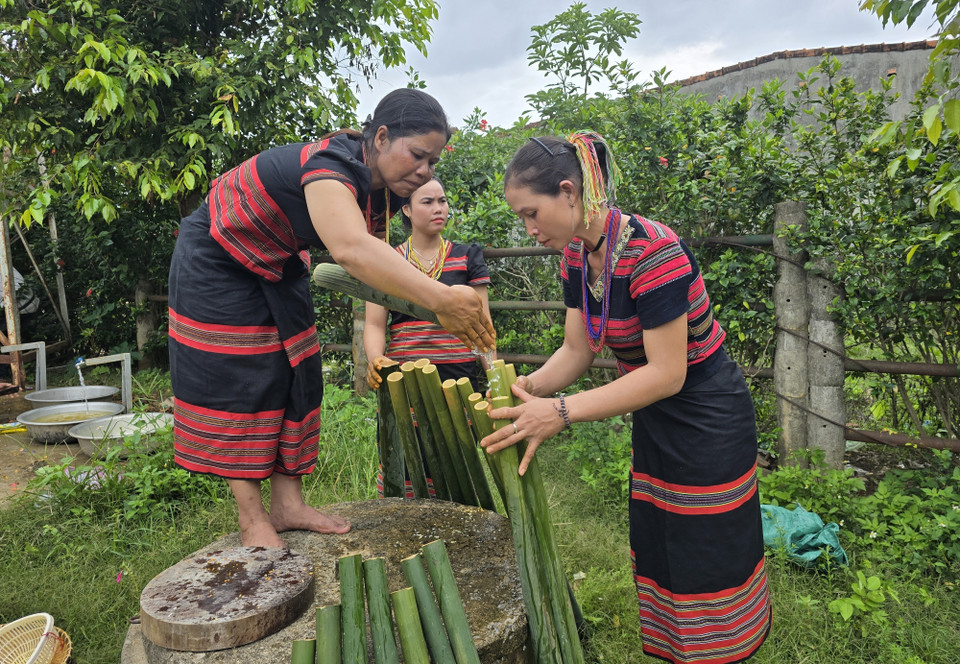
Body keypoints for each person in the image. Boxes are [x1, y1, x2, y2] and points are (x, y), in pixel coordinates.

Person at [481, 132, 770, 664]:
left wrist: (560, 411)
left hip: (706, 414)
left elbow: (666, 373)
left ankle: (724, 650)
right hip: (656, 415)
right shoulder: (577, 258)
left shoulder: (652, 251)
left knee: (709, 547)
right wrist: (525, 390)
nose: (529, 229)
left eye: (531, 213)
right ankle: (680, 652)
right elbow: (577, 350)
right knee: (663, 539)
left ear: (569, 192)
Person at [168, 89, 495, 549]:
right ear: (381, 137)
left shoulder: (377, 192)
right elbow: (351, 250)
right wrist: (442, 298)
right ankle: (252, 519)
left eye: (433, 162)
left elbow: (375, 268)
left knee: (299, 371)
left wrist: (437, 305)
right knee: (243, 379)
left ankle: (287, 504)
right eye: (418, 155)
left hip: (278, 261)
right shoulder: (331, 165)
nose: (425, 171)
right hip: (218, 257)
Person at [363, 177, 494, 497]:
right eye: (428, 202)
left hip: (457, 379)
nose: (439, 209)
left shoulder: (467, 256)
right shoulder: (386, 259)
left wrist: (495, 380)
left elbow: (483, 325)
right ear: (406, 209)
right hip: (402, 378)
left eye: (442, 201)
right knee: (404, 462)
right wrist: (375, 359)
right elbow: (375, 324)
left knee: (456, 465)